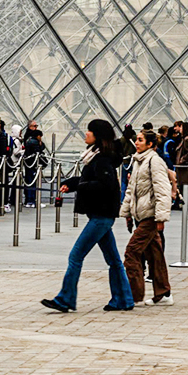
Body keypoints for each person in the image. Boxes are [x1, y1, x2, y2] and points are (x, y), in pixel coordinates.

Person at [41, 119, 134, 312]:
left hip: (101, 216)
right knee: (114, 260)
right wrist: (72, 183)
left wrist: (81, 186)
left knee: (76, 255)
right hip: (101, 215)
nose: (85, 134)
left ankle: (65, 299)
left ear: (97, 136)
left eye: (89, 131)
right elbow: (91, 179)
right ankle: (124, 299)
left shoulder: (101, 160)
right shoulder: (99, 157)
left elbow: (107, 185)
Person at [120, 129, 175, 306]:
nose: (137, 142)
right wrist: (127, 212)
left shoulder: (154, 161)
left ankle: (134, 295)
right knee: (155, 254)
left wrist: (161, 218)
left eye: (141, 140)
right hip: (141, 214)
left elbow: (162, 191)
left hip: (150, 215)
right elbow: (131, 190)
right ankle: (164, 293)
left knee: (132, 252)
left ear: (150, 144)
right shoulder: (138, 161)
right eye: (137, 140)